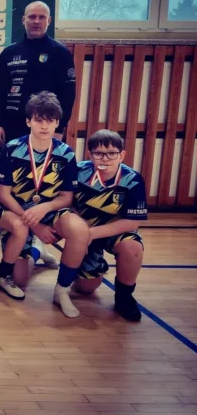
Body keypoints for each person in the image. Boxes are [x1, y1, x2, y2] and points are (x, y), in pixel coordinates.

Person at [0, 92, 89, 317]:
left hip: (48, 210)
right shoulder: (11, 149)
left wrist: (44, 208)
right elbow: (3, 194)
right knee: (20, 279)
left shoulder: (65, 153)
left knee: (79, 230)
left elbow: (66, 197)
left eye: (50, 120)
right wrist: (35, 225)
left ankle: (61, 290)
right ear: (28, 121)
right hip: (15, 210)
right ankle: (24, 258)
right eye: (38, 120)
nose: (44, 126)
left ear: (57, 122)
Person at [72, 129, 146, 322]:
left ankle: (124, 297)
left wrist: (91, 233)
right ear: (90, 155)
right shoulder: (78, 172)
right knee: (85, 289)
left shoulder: (133, 179)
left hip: (113, 231)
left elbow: (133, 221)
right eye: (98, 153)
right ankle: (95, 264)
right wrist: (79, 228)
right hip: (84, 232)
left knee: (132, 247)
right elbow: (67, 203)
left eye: (112, 153)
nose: (105, 159)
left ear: (122, 155)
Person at [0, 1, 76, 148]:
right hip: (11, 126)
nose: (36, 21)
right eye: (32, 17)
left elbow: (68, 95)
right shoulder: (9, 52)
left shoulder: (61, 52)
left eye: (42, 17)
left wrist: (59, 128)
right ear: (23, 20)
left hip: (46, 126)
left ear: (49, 21)